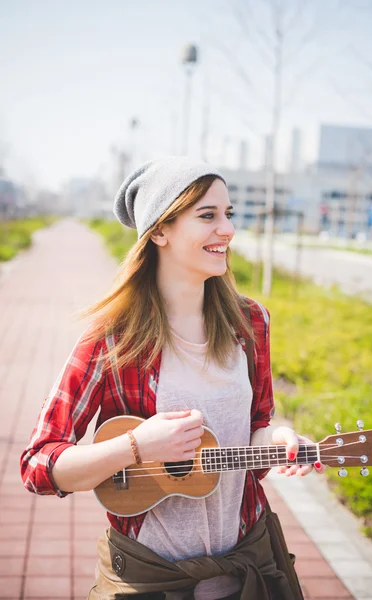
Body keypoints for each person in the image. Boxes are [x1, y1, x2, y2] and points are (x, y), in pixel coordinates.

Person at [21, 157, 325, 600]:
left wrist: (278, 440)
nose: (227, 230)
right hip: (149, 580)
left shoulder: (251, 322)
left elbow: (256, 429)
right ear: (159, 231)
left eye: (228, 214)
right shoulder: (113, 339)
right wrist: (137, 446)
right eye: (207, 216)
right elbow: (37, 465)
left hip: (249, 569)